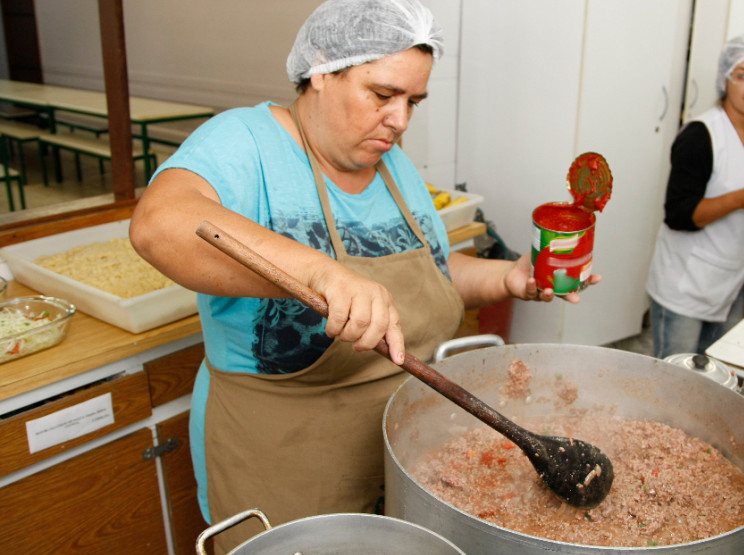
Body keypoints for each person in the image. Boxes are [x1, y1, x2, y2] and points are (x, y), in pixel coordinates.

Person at [129, 0, 598, 550]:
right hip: (284, 458)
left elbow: (429, 273)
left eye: (413, 102)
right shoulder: (245, 142)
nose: (399, 121)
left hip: (400, 447)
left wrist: (506, 279)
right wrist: (321, 273)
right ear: (323, 70)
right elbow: (158, 225)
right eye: (382, 95)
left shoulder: (390, 163)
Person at [646, 33, 744, 359]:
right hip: (687, 284)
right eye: (742, 75)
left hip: (734, 281)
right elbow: (678, 214)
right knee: (674, 381)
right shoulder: (700, 135)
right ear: (725, 81)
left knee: (717, 374)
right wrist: (742, 198)